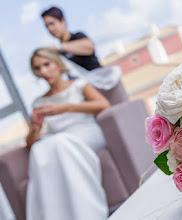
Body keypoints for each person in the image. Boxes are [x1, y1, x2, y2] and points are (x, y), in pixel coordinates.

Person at [25, 48, 110, 220]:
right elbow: (31, 143)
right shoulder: (39, 102)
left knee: (60, 143)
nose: (43, 71)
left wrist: (66, 107)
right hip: (59, 141)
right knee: (39, 150)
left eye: (46, 64)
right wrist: (34, 126)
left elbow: (104, 104)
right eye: (37, 68)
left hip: (86, 132)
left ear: (58, 64)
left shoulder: (79, 85)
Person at [41, 6, 101, 71]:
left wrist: (59, 47)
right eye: (47, 26)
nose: (50, 29)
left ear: (63, 21)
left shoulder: (78, 36)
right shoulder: (58, 53)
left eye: (52, 23)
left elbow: (89, 48)